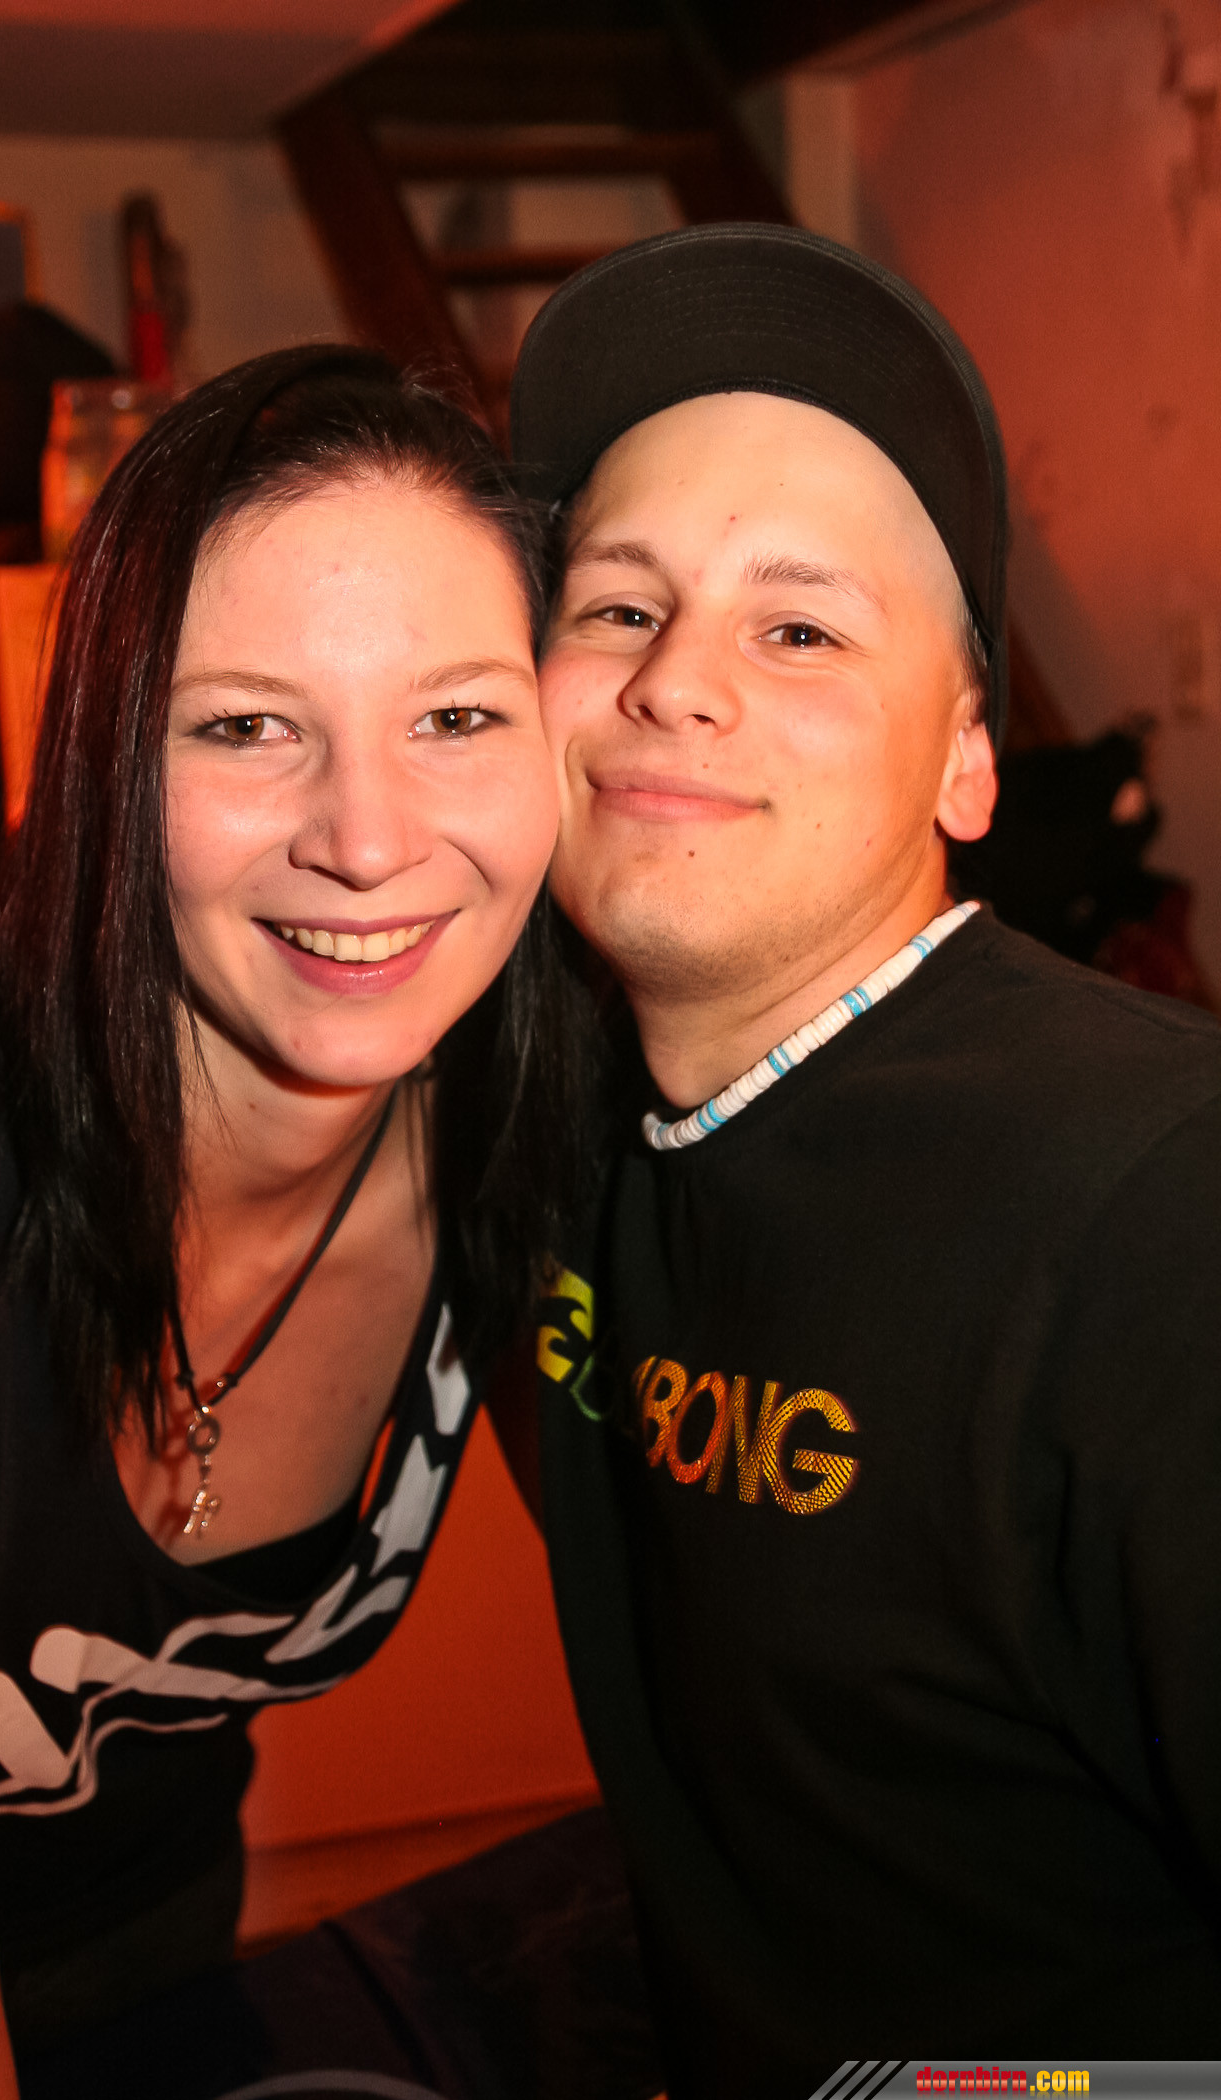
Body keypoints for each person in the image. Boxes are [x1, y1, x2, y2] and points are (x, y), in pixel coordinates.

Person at [506, 226, 1221, 2091]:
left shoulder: (1166, 1216)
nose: (677, 682)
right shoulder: (515, 1100)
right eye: (618, 606)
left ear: (967, 766)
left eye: (801, 627)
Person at [0, 344, 576, 2096]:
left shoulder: (537, 1136)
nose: (368, 841)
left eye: (456, 718)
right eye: (245, 726)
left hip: (160, 1976)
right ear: (102, 760)